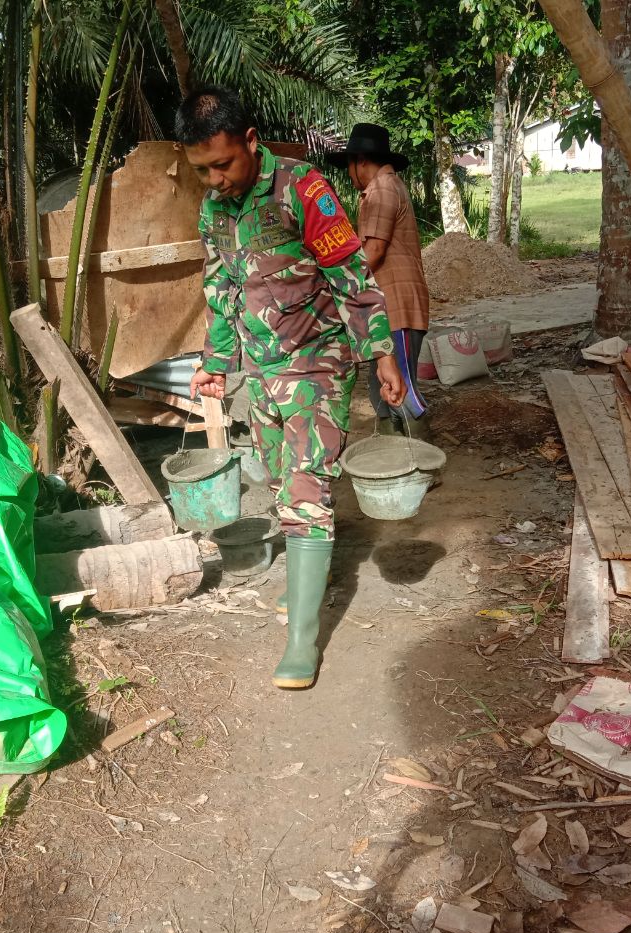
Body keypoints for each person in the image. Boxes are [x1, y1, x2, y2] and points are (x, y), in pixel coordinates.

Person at [178, 86, 407, 690]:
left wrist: (381, 351)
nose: (216, 179)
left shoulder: (302, 189)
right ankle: (312, 577)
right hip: (262, 371)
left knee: (305, 489)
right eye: (202, 170)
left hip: (316, 362)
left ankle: (302, 641)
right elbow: (220, 290)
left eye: (223, 164)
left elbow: (349, 272)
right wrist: (215, 363)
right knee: (280, 482)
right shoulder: (214, 210)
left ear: (251, 141)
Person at [326, 123, 430, 435]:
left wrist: (336, 285)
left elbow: (373, 251)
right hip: (387, 307)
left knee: (400, 387)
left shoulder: (382, 188)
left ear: (360, 161)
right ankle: (396, 451)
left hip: (396, 305)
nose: (349, 175)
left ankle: (423, 454)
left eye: (349, 166)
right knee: (381, 387)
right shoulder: (383, 187)